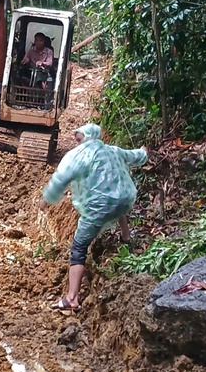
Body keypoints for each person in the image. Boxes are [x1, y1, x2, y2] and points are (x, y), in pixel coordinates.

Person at [39, 123, 148, 312]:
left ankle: (71, 298)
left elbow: (61, 179)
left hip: (100, 206)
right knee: (117, 202)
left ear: (87, 137)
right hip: (126, 198)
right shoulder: (112, 150)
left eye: (78, 139)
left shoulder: (79, 156)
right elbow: (135, 156)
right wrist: (144, 152)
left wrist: (46, 200)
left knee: (79, 247)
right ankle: (126, 238)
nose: (77, 142)